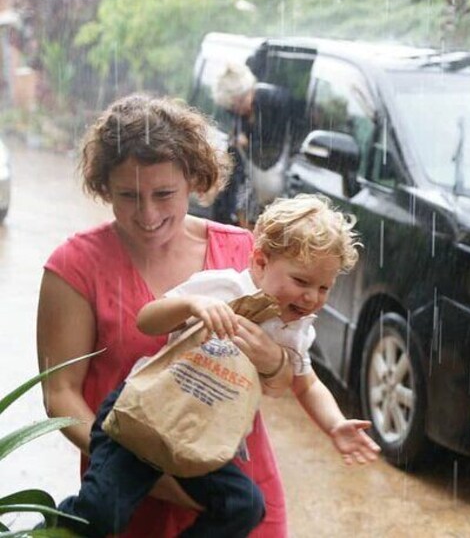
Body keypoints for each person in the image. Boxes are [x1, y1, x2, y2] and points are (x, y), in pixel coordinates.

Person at [53, 194, 381, 538]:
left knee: (243, 506)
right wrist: (191, 305)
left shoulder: (295, 330)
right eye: (301, 281)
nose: (312, 297)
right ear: (261, 261)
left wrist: (335, 425)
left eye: (324, 287)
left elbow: (307, 384)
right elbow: (146, 321)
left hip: (200, 435)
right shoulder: (223, 286)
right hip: (143, 415)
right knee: (102, 512)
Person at [37, 94, 287, 536]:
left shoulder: (244, 254)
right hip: (126, 495)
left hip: (238, 496)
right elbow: (61, 394)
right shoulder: (75, 266)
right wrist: (149, 472)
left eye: (164, 194)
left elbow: (285, 381)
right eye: (128, 195)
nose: (148, 214)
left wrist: (273, 359)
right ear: (104, 187)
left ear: (194, 179)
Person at [211, 62, 295, 226]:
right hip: (251, 177)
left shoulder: (275, 103)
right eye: (232, 107)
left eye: (238, 103)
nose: (237, 109)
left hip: (272, 175)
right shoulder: (239, 114)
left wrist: (249, 144)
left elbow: (274, 145)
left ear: (246, 92)